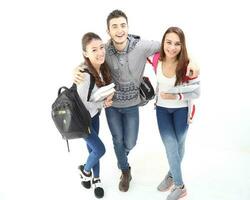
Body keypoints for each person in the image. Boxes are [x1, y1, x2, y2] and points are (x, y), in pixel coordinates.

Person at [73, 10, 199, 192]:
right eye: (114, 26)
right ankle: (125, 171)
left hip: (132, 104)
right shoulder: (104, 50)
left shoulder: (141, 46)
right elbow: (90, 59)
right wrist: (75, 69)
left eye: (122, 25)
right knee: (117, 140)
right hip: (112, 105)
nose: (119, 30)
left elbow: (169, 47)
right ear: (108, 30)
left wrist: (192, 60)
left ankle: (121, 157)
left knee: (130, 142)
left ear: (128, 27)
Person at [154, 27, 200, 200]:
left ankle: (174, 178)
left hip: (182, 110)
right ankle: (179, 184)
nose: (172, 47)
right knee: (172, 146)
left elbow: (197, 92)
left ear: (182, 46)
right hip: (161, 110)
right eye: (169, 42)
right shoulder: (156, 58)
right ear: (163, 42)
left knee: (178, 147)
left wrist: (176, 94)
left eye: (177, 44)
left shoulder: (188, 65)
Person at [77, 32, 114, 199]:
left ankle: (96, 179)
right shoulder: (84, 75)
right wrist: (103, 104)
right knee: (100, 149)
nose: (100, 52)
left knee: (93, 149)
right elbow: (82, 105)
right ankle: (85, 171)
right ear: (85, 53)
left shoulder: (100, 69)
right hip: (82, 120)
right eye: (94, 49)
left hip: (94, 116)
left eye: (101, 47)